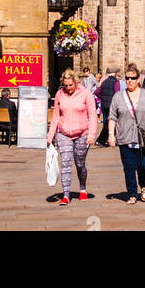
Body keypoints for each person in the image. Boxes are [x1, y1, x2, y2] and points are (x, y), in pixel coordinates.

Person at [108, 62, 145, 203]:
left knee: (143, 165)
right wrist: (111, 135)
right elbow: (112, 117)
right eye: (127, 78)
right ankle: (132, 193)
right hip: (124, 136)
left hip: (144, 136)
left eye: (132, 78)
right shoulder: (118, 97)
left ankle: (143, 187)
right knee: (129, 167)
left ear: (138, 79)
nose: (129, 81)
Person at [47, 68, 98, 205]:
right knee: (66, 163)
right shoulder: (59, 94)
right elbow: (56, 115)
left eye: (70, 85)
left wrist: (92, 135)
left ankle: (82, 188)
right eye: (66, 85)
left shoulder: (86, 94)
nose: (68, 88)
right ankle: (66, 194)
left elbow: (92, 115)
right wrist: (50, 135)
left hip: (82, 133)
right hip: (63, 134)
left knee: (80, 163)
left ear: (76, 82)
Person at [94, 67, 121, 145]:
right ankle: (103, 139)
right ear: (115, 74)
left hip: (104, 105)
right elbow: (117, 94)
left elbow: (96, 92)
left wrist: (102, 97)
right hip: (112, 105)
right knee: (111, 122)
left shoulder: (104, 82)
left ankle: (105, 139)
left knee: (106, 122)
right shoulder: (116, 82)